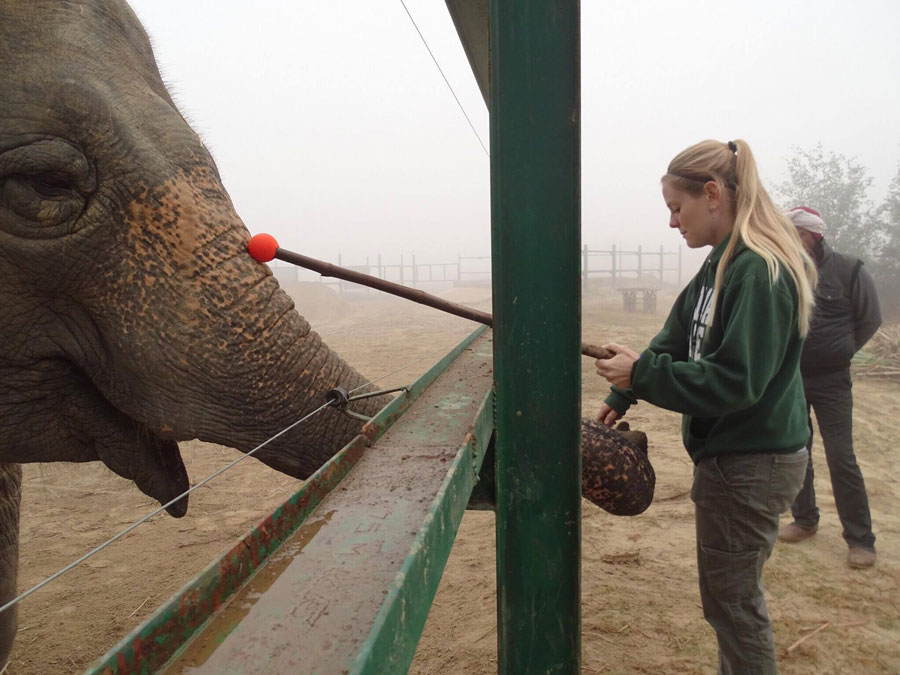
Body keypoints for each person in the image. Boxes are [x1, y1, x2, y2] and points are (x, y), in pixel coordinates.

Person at [594, 139, 817, 674]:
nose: (673, 222)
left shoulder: (760, 271)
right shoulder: (720, 263)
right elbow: (675, 337)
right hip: (734, 458)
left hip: (752, 463)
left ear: (712, 193)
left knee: (734, 606)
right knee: (728, 601)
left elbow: (736, 381)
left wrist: (643, 374)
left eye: (677, 207)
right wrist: (624, 390)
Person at [777, 206, 881, 568]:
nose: (791, 239)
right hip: (793, 378)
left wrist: (844, 350)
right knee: (796, 449)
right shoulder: (786, 269)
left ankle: (860, 539)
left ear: (813, 236)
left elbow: (870, 318)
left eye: (796, 233)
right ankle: (804, 520)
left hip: (834, 382)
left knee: (842, 456)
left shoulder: (850, 270)